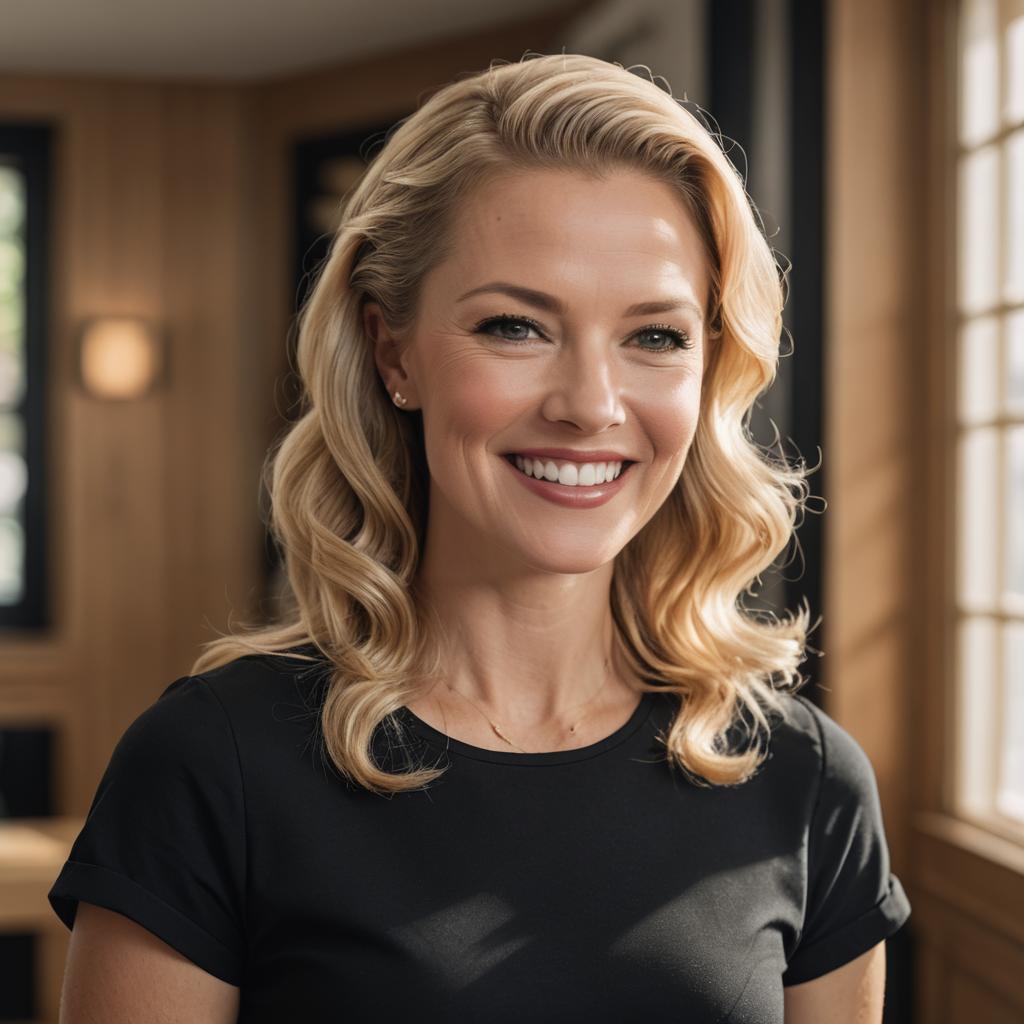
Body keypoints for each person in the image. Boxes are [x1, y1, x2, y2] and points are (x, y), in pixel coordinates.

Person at [47, 52, 911, 1023]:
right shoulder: (210, 766)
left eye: (656, 336)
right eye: (515, 326)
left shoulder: (806, 782)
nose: (590, 404)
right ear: (391, 350)